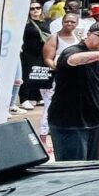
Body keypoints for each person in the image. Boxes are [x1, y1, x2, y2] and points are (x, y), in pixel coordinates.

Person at [49, 23, 99, 161]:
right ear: (88, 34)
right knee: (73, 168)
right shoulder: (73, 50)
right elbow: (73, 59)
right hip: (70, 122)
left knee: (92, 167)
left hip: (92, 120)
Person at [39, 13, 81, 151]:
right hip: (54, 79)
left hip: (71, 78)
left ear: (77, 23)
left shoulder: (78, 38)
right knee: (49, 107)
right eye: (66, 21)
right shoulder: (54, 38)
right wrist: (58, 67)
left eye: (72, 22)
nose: (69, 24)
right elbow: (47, 59)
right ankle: (43, 140)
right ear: (62, 22)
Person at [17, 2, 51, 110]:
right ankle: (24, 99)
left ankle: (37, 96)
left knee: (40, 74)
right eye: (32, 9)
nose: (35, 10)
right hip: (28, 53)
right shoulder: (25, 24)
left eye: (38, 8)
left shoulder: (46, 22)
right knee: (27, 75)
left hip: (41, 52)